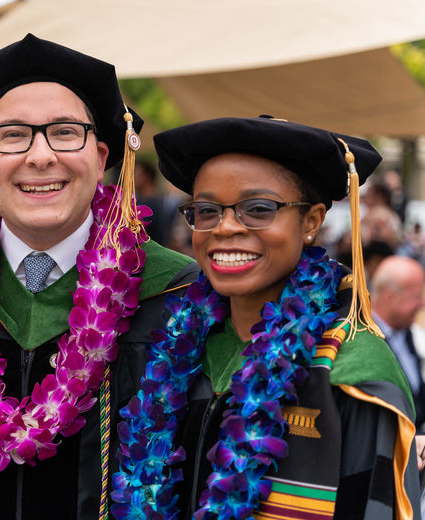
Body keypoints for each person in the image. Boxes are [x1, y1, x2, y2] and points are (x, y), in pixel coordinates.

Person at [0, 34, 197, 520]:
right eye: (12, 135)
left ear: (101, 156)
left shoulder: (179, 293)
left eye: (66, 132)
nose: (41, 156)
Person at [114, 116, 421, 520]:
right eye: (206, 210)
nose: (224, 227)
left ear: (311, 222)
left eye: (258, 209)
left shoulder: (351, 371)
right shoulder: (174, 353)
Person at [372, 255, 425, 430]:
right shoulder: (364, 341)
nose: (422, 304)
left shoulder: (406, 331)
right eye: (416, 296)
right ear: (391, 297)